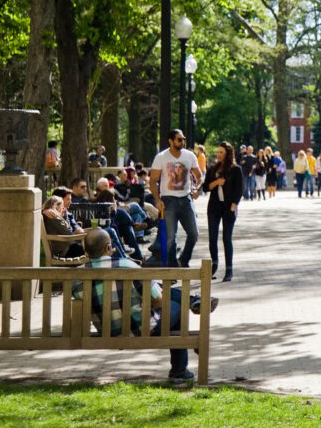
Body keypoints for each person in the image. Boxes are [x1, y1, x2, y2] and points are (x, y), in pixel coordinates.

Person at [70, 229, 216, 383]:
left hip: (107, 330)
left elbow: (82, 302)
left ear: (86, 250)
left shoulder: (78, 276)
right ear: (108, 248)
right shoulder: (127, 265)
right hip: (142, 328)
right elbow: (159, 300)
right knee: (177, 306)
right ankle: (179, 369)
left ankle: (193, 301)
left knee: (160, 291)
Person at [150, 129, 203, 268]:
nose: (183, 142)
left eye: (183, 139)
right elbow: (153, 180)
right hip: (169, 200)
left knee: (194, 234)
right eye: (179, 139)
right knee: (170, 238)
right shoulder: (161, 157)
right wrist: (158, 199)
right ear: (171, 141)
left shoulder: (189, 156)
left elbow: (199, 175)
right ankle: (172, 268)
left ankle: (184, 261)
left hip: (186, 199)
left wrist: (197, 188)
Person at [202, 142, 243, 281]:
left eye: (221, 152)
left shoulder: (235, 169)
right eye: (218, 152)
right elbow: (206, 187)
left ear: (228, 154)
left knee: (226, 238)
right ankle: (214, 265)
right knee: (212, 238)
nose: (218, 154)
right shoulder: (212, 168)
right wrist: (217, 182)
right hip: (214, 207)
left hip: (228, 207)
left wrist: (233, 207)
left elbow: (239, 190)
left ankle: (229, 269)